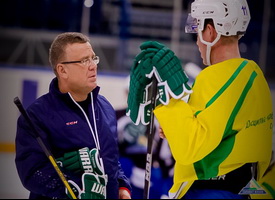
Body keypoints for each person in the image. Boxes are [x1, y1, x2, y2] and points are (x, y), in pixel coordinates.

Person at [126, 0, 273, 199]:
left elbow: (189, 148)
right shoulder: (254, 75)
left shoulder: (217, 75)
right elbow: (220, 132)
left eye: (198, 31)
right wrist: (177, 127)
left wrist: (167, 96)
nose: (197, 41)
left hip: (213, 191)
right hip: (245, 189)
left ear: (210, 32)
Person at [15, 32, 132, 199]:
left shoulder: (105, 107)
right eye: (84, 61)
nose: (93, 66)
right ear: (62, 70)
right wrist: (75, 187)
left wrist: (121, 185)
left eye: (93, 58)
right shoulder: (37, 115)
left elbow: (109, 158)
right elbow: (32, 171)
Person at [116, 76, 174, 199]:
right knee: (123, 165)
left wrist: (168, 183)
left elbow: (166, 156)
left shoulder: (159, 119)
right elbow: (110, 150)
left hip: (152, 173)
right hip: (125, 173)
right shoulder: (117, 117)